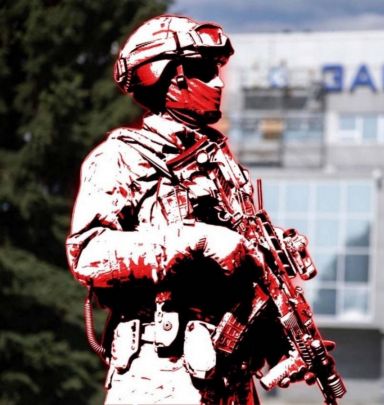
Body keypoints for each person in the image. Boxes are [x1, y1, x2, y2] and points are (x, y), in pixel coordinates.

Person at [66, 14, 282, 404]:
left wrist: (280, 340)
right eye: (204, 71)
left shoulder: (223, 168)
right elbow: (88, 255)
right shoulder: (121, 157)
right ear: (165, 75)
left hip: (229, 378)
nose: (219, 83)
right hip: (159, 371)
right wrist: (194, 240)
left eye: (218, 71)